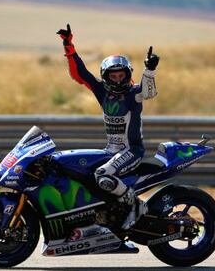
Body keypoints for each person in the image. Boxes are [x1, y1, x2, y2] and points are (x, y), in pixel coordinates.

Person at [57, 24, 159, 230]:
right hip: (110, 150)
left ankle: (136, 206)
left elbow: (149, 92)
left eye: (121, 75)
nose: (118, 79)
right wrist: (69, 47)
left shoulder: (134, 93)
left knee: (102, 175)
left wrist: (149, 70)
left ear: (127, 74)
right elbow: (81, 74)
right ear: (106, 77)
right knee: (84, 174)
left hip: (132, 151)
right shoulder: (102, 91)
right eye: (113, 76)